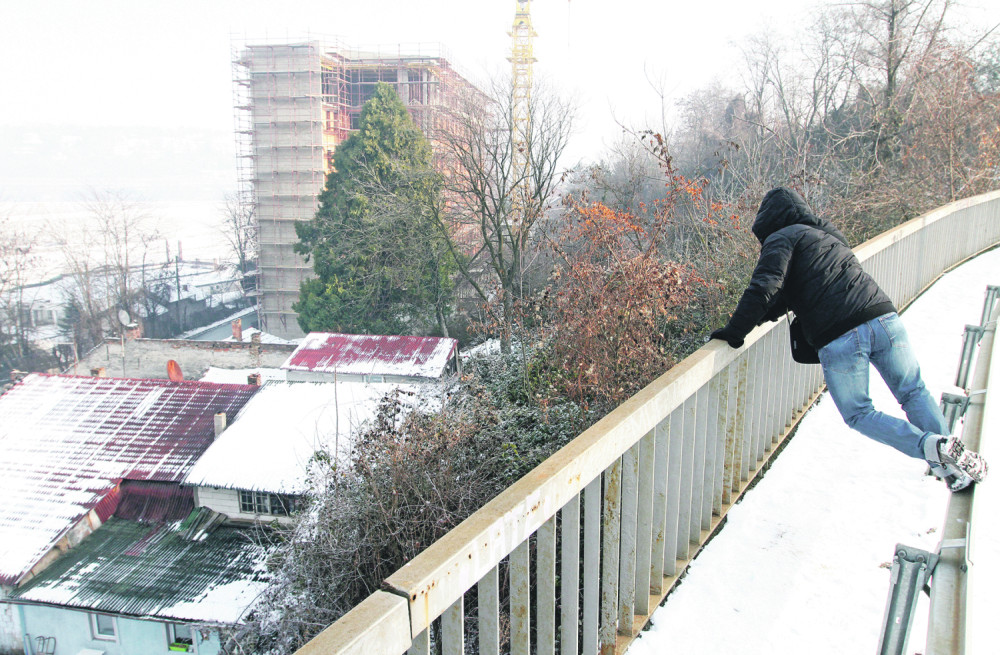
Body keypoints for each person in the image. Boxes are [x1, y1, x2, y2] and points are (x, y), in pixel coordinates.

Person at [709, 187, 988, 492]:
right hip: (884, 317)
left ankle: (929, 447)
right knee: (912, 390)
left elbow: (765, 287)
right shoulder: (828, 236)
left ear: (768, 222)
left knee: (858, 412)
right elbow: (791, 293)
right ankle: (948, 465)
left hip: (840, 335)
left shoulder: (781, 238)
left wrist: (735, 331)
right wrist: (764, 315)